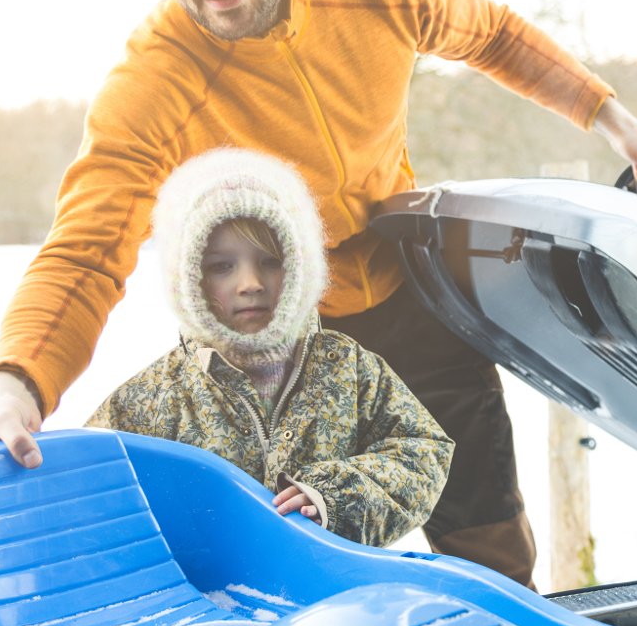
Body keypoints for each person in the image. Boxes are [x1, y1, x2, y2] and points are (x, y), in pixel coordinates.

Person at [0, 0, 637, 587]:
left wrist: (609, 117)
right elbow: (86, 249)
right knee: (296, 546)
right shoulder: (155, 79)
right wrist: (18, 383)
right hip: (275, 337)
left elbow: (489, 33)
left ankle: (503, 617)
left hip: (415, 290)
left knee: (485, 525)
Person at [87, 148, 452, 547]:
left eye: (271, 261)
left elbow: (423, 452)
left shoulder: (350, 369)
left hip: (332, 580)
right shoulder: (151, 400)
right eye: (222, 266)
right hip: (211, 585)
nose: (250, 283)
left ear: (300, 265)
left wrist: (336, 497)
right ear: (189, 278)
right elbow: (88, 493)